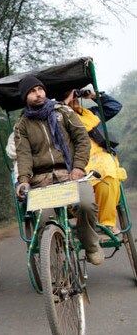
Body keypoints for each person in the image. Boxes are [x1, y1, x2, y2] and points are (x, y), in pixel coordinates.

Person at [14, 75, 104, 265]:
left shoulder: (62, 112)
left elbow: (82, 140)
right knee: (44, 220)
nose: (38, 94)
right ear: (25, 97)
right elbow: (23, 155)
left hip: (70, 174)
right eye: (32, 91)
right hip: (41, 180)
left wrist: (79, 167)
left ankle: (91, 245)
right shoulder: (22, 125)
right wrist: (23, 180)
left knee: (86, 204)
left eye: (40, 89)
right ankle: (56, 263)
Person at [63, 87, 125, 235]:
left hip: (102, 159)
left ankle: (107, 223)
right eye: (71, 95)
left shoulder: (92, 114)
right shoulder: (58, 117)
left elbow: (114, 106)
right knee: (81, 187)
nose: (75, 98)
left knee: (109, 178)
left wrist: (95, 95)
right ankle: (86, 227)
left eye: (76, 95)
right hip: (77, 160)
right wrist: (64, 103)